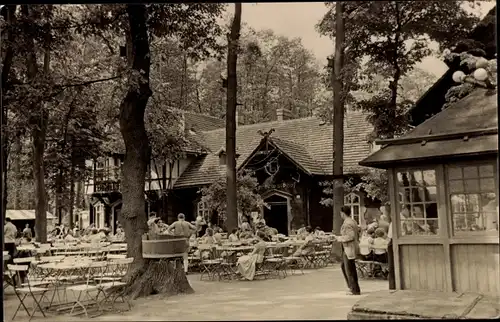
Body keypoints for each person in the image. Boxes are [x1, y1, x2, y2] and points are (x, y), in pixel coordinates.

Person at [333, 206, 361, 295]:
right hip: (351, 247)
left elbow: (350, 236)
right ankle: (353, 287)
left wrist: (338, 238)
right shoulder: (353, 221)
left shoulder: (347, 224)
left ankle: (353, 288)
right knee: (346, 266)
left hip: (349, 247)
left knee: (349, 268)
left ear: (342, 213)